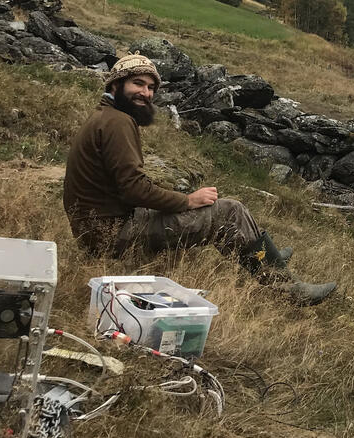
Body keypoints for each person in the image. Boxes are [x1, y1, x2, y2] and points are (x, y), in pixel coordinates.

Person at [63, 53, 337, 305]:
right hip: (110, 235)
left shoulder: (104, 116)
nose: (146, 93)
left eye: (151, 88)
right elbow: (133, 188)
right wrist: (187, 200)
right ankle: (284, 286)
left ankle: (262, 256)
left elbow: (126, 187)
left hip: (99, 228)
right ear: (115, 85)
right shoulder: (118, 122)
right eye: (138, 84)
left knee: (213, 208)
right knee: (229, 211)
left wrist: (178, 200)